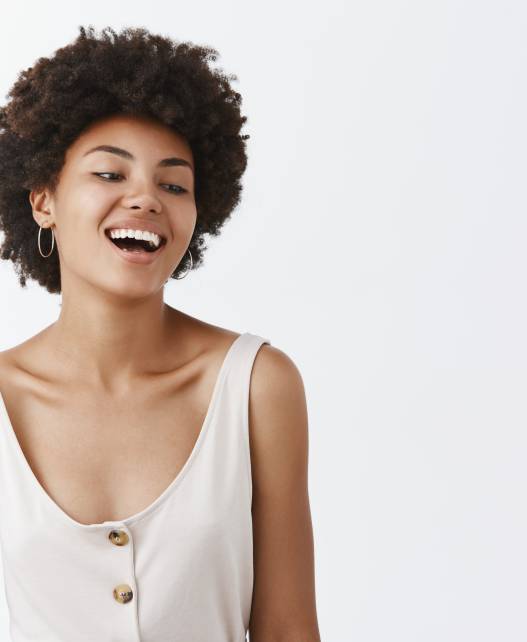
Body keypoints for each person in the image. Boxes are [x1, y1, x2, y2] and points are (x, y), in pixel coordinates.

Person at [0, 25, 321, 642]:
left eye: (173, 185)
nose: (145, 199)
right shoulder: (5, 396)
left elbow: (287, 628)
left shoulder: (256, 387)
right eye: (110, 175)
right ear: (43, 199)